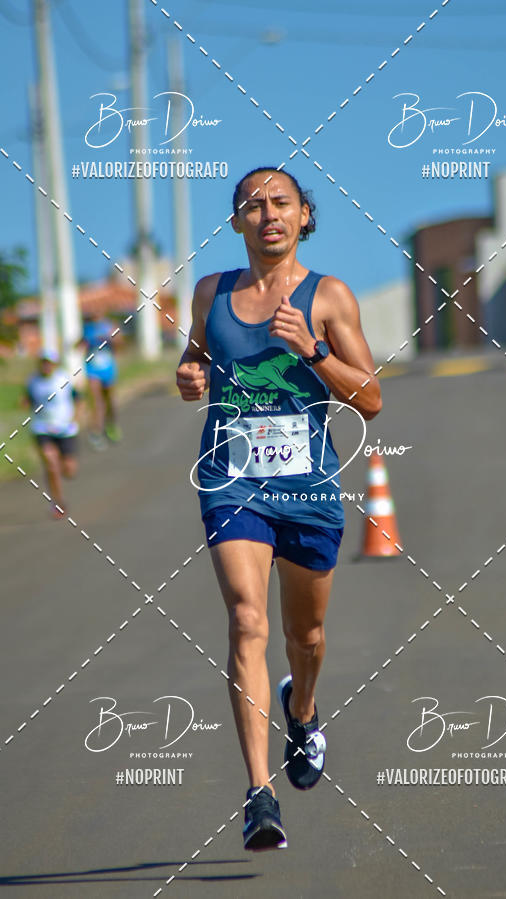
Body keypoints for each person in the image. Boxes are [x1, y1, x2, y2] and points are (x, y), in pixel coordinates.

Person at [176, 167, 382, 851]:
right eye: (253, 205)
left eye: (281, 203)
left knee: (308, 637)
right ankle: (259, 794)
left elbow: (371, 398)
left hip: (309, 490)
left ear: (303, 217)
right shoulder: (212, 292)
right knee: (245, 616)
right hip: (231, 480)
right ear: (236, 222)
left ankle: (304, 707)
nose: (267, 214)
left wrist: (314, 350)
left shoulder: (329, 297)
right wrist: (189, 375)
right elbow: (195, 362)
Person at [25, 348, 80, 518]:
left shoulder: (63, 379)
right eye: (43, 363)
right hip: (42, 428)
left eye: (49, 363)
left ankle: (65, 471)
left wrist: (75, 418)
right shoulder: (33, 381)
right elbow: (28, 400)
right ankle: (58, 502)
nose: (46, 366)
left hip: (65, 429)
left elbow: (78, 399)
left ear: (54, 364)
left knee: (69, 470)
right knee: (51, 464)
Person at [79, 309, 121, 449]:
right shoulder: (87, 329)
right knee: (97, 402)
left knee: (110, 401)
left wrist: (113, 339)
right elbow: (79, 345)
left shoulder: (110, 326)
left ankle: (111, 425)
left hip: (108, 369)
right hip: (92, 369)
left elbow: (120, 344)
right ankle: (96, 432)